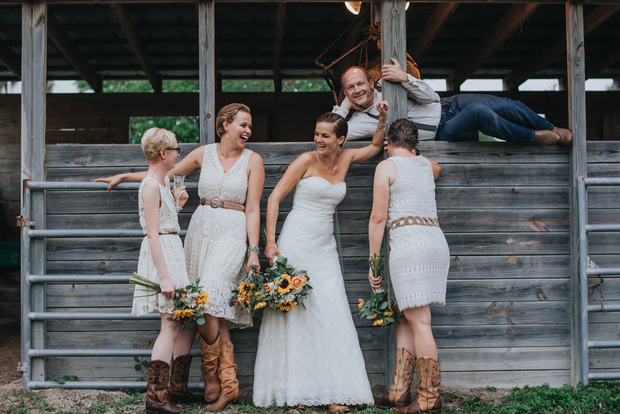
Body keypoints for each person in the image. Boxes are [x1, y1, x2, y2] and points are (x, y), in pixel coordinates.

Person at [96, 103, 265, 412]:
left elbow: (254, 208)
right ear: (225, 125)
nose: (247, 130)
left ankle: (213, 377)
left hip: (231, 232)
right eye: (242, 124)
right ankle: (223, 385)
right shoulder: (204, 153)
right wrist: (125, 175)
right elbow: (162, 173)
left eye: (249, 126)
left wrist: (254, 251)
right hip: (200, 232)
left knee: (211, 293)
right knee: (201, 305)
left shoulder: (254, 160)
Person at [253, 106, 388, 412]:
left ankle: (333, 393)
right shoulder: (306, 160)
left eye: (325, 135)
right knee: (297, 313)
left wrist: (381, 120)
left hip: (324, 246)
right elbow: (275, 198)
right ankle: (298, 392)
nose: (318, 140)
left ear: (341, 139)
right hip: (297, 241)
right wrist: (271, 243)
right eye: (316, 133)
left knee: (331, 311)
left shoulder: (347, 158)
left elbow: (376, 147)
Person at [368, 119, 449, 414]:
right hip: (435, 242)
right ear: (414, 145)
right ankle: (399, 393)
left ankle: (429, 399)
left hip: (409, 246)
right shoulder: (425, 165)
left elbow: (378, 219)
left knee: (420, 322)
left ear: (388, 143)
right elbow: (437, 168)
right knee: (404, 317)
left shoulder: (386, 167)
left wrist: (374, 263)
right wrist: (414, 153)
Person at [333, 61, 573, 146]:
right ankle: (532, 136)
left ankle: (551, 129)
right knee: (479, 112)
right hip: (443, 131)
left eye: (360, 84)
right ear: (345, 92)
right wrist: (344, 105)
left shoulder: (389, 85)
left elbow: (431, 97)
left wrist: (406, 78)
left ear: (370, 81)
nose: (357, 91)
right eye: (350, 88)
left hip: (448, 104)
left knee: (507, 104)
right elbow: (332, 132)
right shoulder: (360, 123)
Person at [131, 127, 192, 414]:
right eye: (176, 149)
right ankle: (156, 398)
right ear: (162, 153)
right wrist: (164, 276)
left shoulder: (162, 183)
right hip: (162, 256)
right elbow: (153, 234)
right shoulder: (151, 186)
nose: (178, 154)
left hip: (171, 250)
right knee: (169, 326)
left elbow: (164, 224)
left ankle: (172, 391)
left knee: (178, 323)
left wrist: (177, 207)